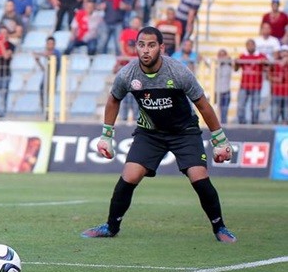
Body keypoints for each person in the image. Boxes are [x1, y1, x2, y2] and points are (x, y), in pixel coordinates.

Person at [81, 26, 236, 243]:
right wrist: (106, 136)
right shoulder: (127, 74)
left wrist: (219, 139)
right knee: (129, 176)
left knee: (198, 177)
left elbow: (203, 104)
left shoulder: (178, 72)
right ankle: (111, 227)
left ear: (161, 48)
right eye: (141, 45)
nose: (145, 50)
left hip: (184, 132)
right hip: (150, 133)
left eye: (151, 45)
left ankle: (220, 228)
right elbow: (114, 99)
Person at [234, 39, 266, 125]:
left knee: (255, 107)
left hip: (256, 85)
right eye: (248, 45)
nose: (250, 47)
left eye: (252, 45)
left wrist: (264, 62)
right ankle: (241, 123)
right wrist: (236, 62)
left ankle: (254, 123)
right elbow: (236, 69)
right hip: (244, 85)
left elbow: (268, 67)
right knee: (241, 105)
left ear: (255, 45)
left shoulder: (261, 55)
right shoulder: (243, 56)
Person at [269, 46, 288, 124]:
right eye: (282, 51)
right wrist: (276, 79)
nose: (284, 53)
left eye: (286, 51)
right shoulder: (274, 63)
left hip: (287, 93)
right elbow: (268, 76)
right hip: (276, 92)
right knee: (274, 116)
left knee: (286, 118)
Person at [216, 49, 233, 125]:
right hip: (217, 91)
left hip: (226, 90)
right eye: (220, 55)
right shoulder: (215, 65)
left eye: (223, 55)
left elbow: (233, 62)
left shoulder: (228, 65)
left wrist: (227, 59)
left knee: (225, 110)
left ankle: (224, 125)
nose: (222, 57)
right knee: (219, 110)